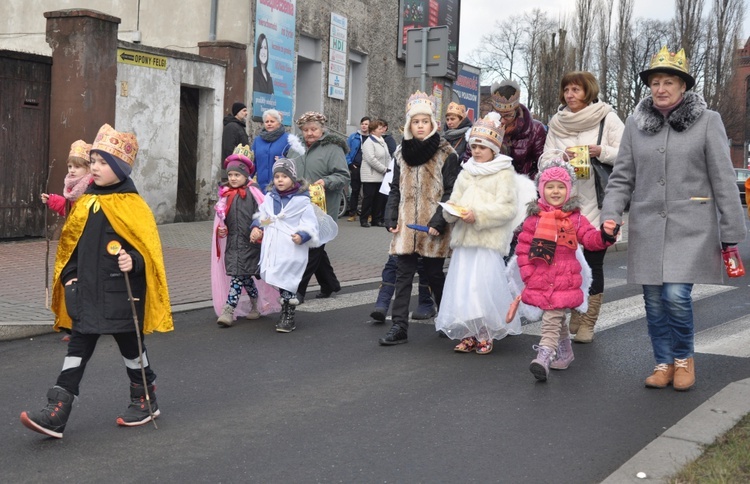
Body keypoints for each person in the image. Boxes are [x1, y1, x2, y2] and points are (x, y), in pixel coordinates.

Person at [601, 46, 746, 391]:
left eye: (668, 82)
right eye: (655, 82)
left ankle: (683, 358)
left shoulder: (708, 121)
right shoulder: (636, 127)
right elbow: (622, 176)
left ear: (683, 87)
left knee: (677, 295)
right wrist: (611, 214)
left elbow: (724, 178)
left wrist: (730, 230)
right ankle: (662, 362)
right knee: (653, 299)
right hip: (648, 224)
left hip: (692, 226)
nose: (661, 88)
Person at [20, 124, 173, 438]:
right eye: (94, 161)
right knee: (78, 347)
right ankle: (57, 411)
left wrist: (135, 259)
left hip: (122, 293)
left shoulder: (134, 206)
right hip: (87, 292)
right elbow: (70, 246)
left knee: (132, 348)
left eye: (103, 162)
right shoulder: (87, 202)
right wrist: (70, 277)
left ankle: (144, 398)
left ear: (119, 168)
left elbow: (148, 250)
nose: (96, 167)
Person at [435, 114, 537, 354]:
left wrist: (477, 214)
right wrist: (452, 213)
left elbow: (507, 208)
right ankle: (470, 333)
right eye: (474, 146)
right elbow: (455, 199)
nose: (477, 151)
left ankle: (485, 332)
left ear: (493, 149)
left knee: (482, 288)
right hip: (464, 240)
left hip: (487, 241)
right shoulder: (466, 171)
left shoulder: (502, 173)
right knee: (463, 288)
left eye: (482, 147)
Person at [543, 71, 625, 343]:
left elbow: (627, 153)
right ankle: (576, 309)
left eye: (576, 90)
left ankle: (589, 320)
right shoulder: (557, 122)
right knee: (567, 266)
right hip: (564, 207)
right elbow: (544, 160)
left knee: (593, 264)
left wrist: (600, 151)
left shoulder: (607, 117)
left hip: (597, 204)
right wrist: (559, 157)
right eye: (566, 90)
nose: (570, 95)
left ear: (588, 91)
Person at [515, 160, 615, 381]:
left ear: (568, 190)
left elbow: (590, 239)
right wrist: (528, 274)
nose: (555, 191)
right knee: (556, 315)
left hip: (564, 278)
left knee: (551, 316)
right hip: (541, 277)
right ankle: (566, 352)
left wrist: (605, 236)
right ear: (541, 189)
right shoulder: (534, 219)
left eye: (561, 186)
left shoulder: (575, 218)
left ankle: (544, 355)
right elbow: (523, 249)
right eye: (550, 186)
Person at [379, 91, 460, 346]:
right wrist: (390, 215)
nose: (421, 126)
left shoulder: (446, 153)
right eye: (416, 122)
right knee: (403, 276)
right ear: (409, 125)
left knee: (435, 275)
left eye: (425, 121)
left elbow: (451, 191)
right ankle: (399, 327)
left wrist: (439, 221)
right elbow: (395, 188)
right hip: (405, 225)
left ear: (433, 124)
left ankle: (448, 319)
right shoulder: (401, 154)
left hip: (432, 226)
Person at [251, 159, 321, 332]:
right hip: (274, 246)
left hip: (291, 246)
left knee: (289, 278)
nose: (280, 180)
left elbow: (310, 223)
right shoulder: (269, 198)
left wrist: (303, 235)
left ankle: (288, 313)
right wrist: (257, 228)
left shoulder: (302, 201)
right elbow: (265, 217)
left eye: (284, 176)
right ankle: (285, 305)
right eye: (277, 176)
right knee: (278, 275)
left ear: (293, 178)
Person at [287, 112, 350, 302]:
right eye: (306, 130)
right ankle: (330, 284)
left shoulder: (332, 148)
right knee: (317, 248)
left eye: (313, 129)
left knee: (313, 247)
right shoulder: (295, 147)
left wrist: (327, 181)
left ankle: (298, 290)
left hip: (322, 208)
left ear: (322, 130)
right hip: (299, 206)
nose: (310, 133)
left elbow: (343, 176)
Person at [214, 149, 263, 327]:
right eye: (230, 175)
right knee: (243, 276)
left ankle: (229, 309)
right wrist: (221, 230)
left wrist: (257, 228)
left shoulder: (253, 193)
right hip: (233, 243)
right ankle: (255, 304)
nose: (233, 178)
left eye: (237, 174)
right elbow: (222, 219)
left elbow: (263, 214)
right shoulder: (226, 195)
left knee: (238, 277)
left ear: (246, 175)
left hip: (250, 243)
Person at [466, 79, 546, 179]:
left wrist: (526, 185)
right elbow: (469, 159)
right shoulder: (483, 127)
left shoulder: (536, 129)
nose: (503, 121)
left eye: (508, 116)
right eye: (499, 115)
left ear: (516, 111)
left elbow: (541, 165)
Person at [252, 109, 305, 188]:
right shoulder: (258, 140)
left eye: (272, 121)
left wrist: (283, 160)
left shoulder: (288, 139)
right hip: (261, 186)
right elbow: (253, 162)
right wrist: (247, 178)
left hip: (280, 185)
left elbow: (296, 160)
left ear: (279, 123)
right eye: (267, 122)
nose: (269, 124)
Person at [41, 140, 92, 217]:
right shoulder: (71, 184)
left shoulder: (91, 185)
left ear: (88, 168)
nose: (72, 170)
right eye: (70, 166)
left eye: (77, 167)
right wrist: (51, 200)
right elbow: (69, 209)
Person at [359, 118, 390, 227]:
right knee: (368, 198)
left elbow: (387, 156)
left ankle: (376, 220)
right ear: (373, 131)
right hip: (370, 176)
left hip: (381, 175)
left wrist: (389, 167)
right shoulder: (369, 142)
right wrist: (384, 169)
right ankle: (363, 219)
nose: (382, 130)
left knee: (378, 199)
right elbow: (371, 159)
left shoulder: (382, 141)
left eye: (382, 128)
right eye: (379, 128)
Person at [346, 116, 370, 221]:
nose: (364, 126)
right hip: (356, 166)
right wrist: (350, 164)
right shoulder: (353, 137)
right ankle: (352, 214)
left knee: (367, 192)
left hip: (368, 167)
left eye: (366, 124)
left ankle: (368, 214)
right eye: (362, 124)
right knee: (355, 191)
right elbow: (346, 150)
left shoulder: (372, 137)